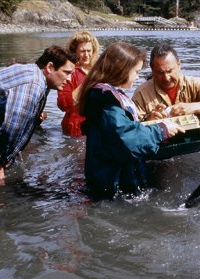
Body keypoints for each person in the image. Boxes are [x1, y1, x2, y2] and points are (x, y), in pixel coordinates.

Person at [77, 41, 185, 199]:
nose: (137, 77)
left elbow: (122, 131)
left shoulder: (104, 96)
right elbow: (128, 141)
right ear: (121, 71)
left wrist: (148, 120)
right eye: (136, 71)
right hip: (113, 186)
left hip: (109, 179)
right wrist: (162, 130)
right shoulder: (108, 104)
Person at [0, 46, 77, 180]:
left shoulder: (38, 76)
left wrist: (9, 154)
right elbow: (12, 126)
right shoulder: (33, 83)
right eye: (66, 72)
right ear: (49, 67)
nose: (70, 79)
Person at [132, 44, 200, 123]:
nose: (166, 78)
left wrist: (193, 107)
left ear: (179, 65)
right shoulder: (141, 93)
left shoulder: (195, 84)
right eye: (160, 73)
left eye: (169, 71)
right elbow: (131, 131)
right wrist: (149, 121)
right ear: (152, 70)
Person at [57, 31, 100, 136]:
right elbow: (63, 104)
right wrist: (87, 82)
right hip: (75, 129)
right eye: (82, 51)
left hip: (96, 127)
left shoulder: (99, 71)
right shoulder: (70, 72)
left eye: (89, 50)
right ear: (74, 52)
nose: (86, 55)